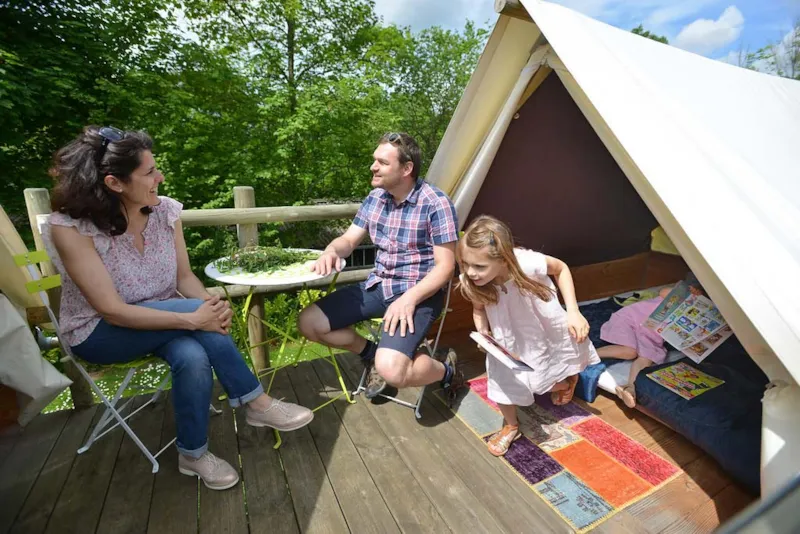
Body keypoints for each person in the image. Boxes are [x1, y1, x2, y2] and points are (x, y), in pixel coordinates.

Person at [42, 126, 313, 491]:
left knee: (192, 356)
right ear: (114, 182)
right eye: (149, 172)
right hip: (99, 331)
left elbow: (184, 277)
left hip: (164, 320)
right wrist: (193, 317)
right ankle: (256, 403)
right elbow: (111, 310)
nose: (160, 177)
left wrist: (208, 308)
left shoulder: (165, 212)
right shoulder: (72, 228)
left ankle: (193, 454)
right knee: (195, 330)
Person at [297, 132, 463, 402]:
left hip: (419, 294)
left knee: (394, 372)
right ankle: (372, 354)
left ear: (406, 169)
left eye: (382, 163)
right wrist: (331, 250)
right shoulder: (376, 198)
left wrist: (409, 299)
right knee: (309, 323)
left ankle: (446, 370)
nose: (373, 166)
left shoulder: (436, 203)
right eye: (375, 160)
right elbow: (348, 240)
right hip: (379, 286)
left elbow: (446, 268)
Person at [456, 215, 599, 457]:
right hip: (506, 338)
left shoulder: (528, 263)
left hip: (540, 329)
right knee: (502, 380)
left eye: (479, 267)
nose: (471, 272)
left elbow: (561, 268)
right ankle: (511, 425)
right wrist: (483, 332)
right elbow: (478, 309)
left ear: (504, 259)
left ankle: (565, 380)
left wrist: (573, 311)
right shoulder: (475, 281)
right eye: (466, 264)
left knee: (542, 372)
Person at [597, 283, 701, 408]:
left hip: (651, 336)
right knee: (630, 352)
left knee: (646, 358)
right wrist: (688, 294)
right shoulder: (679, 294)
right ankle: (590, 354)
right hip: (630, 320)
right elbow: (663, 292)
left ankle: (630, 388)